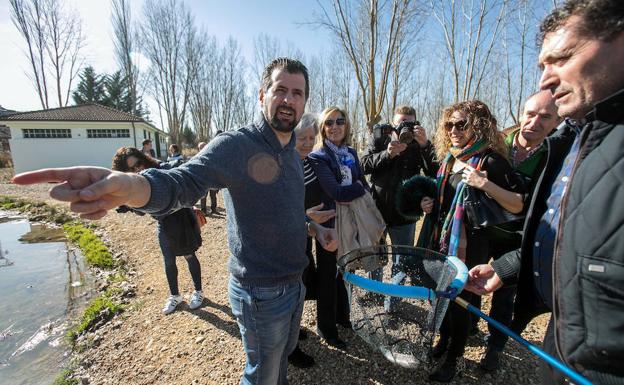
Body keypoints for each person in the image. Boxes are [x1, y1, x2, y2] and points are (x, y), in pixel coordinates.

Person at [13, 57, 338, 385]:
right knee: (262, 377)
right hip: (261, 292)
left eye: (297, 93)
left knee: (280, 363)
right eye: (280, 89)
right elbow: (182, 182)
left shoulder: (293, 154)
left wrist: (315, 229)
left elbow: (287, 212)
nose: (288, 99)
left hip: (295, 283)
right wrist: (133, 186)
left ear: (304, 102)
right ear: (261, 95)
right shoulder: (237, 145)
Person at [466, 1, 624, 383]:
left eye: (562, 58)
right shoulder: (574, 142)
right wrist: (507, 268)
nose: (545, 80)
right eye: (542, 66)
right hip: (563, 349)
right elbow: (565, 234)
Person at [416, 100, 525, 382]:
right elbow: (444, 200)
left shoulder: (490, 160)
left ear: (479, 125)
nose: (453, 130)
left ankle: (453, 360)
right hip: (442, 239)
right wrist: (429, 203)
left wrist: (484, 183)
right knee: (443, 298)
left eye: (461, 124)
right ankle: (444, 341)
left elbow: (517, 204)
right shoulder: (449, 158)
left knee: (461, 301)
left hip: (471, 244)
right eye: (449, 125)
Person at [475, 90, 561, 372]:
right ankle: (466, 329)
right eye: (530, 113)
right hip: (484, 231)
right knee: (469, 282)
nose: (534, 122)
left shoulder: (554, 158)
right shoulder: (497, 144)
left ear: (557, 121)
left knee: (504, 296)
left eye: (545, 117)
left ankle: (495, 347)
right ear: (521, 113)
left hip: (518, 239)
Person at [361, 105, 437, 312]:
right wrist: (387, 154)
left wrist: (425, 145)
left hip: (405, 213)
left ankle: (391, 305)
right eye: (401, 122)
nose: (405, 127)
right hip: (377, 210)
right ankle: (374, 293)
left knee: (401, 261)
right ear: (392, 123)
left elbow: (434, 172)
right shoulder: (380, 137)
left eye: (409, 123)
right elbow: (364, 165)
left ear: (416, 124)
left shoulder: (419, 144)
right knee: (375, 257)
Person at [112, 147, 204, 314]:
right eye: (131, 169)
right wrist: (129, 205)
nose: (137, 169)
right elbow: (141, 212)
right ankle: (175, 296)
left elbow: (184, 184)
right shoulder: (134, 185)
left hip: (182, 218)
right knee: (168, 260)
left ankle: (198, 292)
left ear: (144, 159)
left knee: (189, 256)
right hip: (164, 223)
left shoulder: (163, 169)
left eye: (138, 164)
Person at [308, 106, 370, 350]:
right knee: (327, 275)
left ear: (347, 125)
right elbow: (336, 192)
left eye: (340, 121)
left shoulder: (352, 153)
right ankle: (326, 327)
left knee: (346, 271)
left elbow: (362, 182)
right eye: (329, 122)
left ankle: (343, 317)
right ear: (323, 128)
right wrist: (359, 188)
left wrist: (357, 187)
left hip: (352, 221)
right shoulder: (319, 156)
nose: (335, 126)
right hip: (330, 225)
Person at [197, 141, 220, 215]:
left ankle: (214, 209)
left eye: (204, 146)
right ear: (199, 149)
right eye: (201, 147)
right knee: (203, 196)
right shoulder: (197, 157)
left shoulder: (212, 155)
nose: (202, 148)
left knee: (213, 196)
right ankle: (203, 210)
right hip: (202, 180)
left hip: (212, 179)